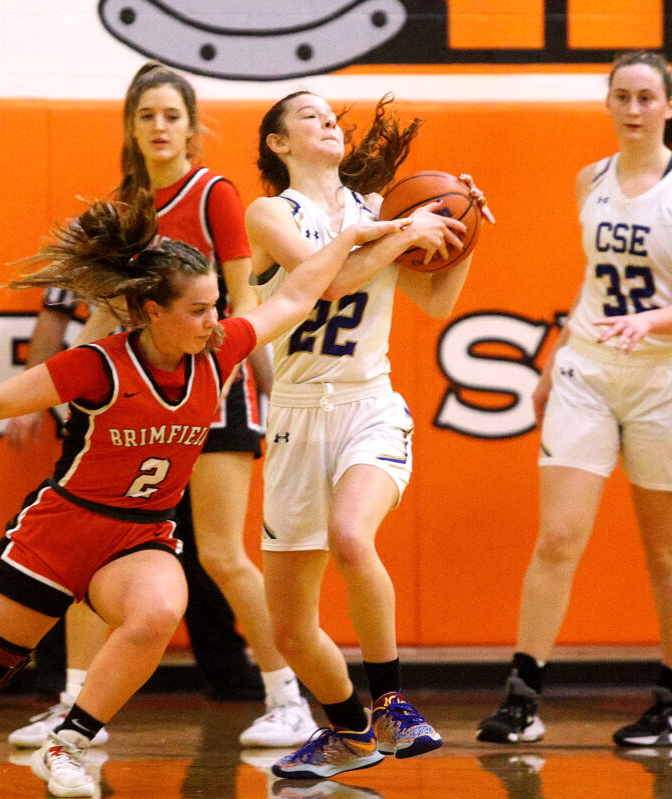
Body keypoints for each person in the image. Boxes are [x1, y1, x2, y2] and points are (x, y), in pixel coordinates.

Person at [0, 192, 415, 798]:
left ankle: (66, 745)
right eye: (200, 310)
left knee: (157, 609)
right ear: (153, 310)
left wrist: (353, 237)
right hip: (58, 533)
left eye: (216, 307)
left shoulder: (220, 350)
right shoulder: (97, 365)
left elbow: (295, 294)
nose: (215, 320)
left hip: (139, 534)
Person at [6, 61, 312, 752]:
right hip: (139, 400)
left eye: (172, 114)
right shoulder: (119, 211)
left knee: (224, 554)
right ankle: (74, 705)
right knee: (93, 552)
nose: (160, 126)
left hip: (214, 387)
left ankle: (288, 695)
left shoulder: (215, 195)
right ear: (131, 126)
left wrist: (260, 385)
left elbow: (247, 300)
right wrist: (59, 386)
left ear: (192, 126)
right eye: (147, 116)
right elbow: (101, 314)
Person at [475, 50, 672, 748]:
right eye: (623, 96)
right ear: (609, 104)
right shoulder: (591, 178)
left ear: (670, 106)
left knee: (666, 552)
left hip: (664, 377)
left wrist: (650, 321)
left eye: (648, 96)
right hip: (589, 369)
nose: (635, 108)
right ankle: (522, 697)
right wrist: (557, 354)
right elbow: (595, 280)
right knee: (557, 536)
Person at [247, 90, 491, 779]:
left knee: (353, 534)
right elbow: (323, 284)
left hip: (367, 404)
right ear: (278, 143)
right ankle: (351, 731)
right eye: (309, 116)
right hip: (295, 413)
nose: (329, 121)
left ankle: (391, 700)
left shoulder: (381, 212)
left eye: (333, 116)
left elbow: (438, 301)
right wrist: (404, 232)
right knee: (290, 627)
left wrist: (463, 230)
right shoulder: (269, 214)